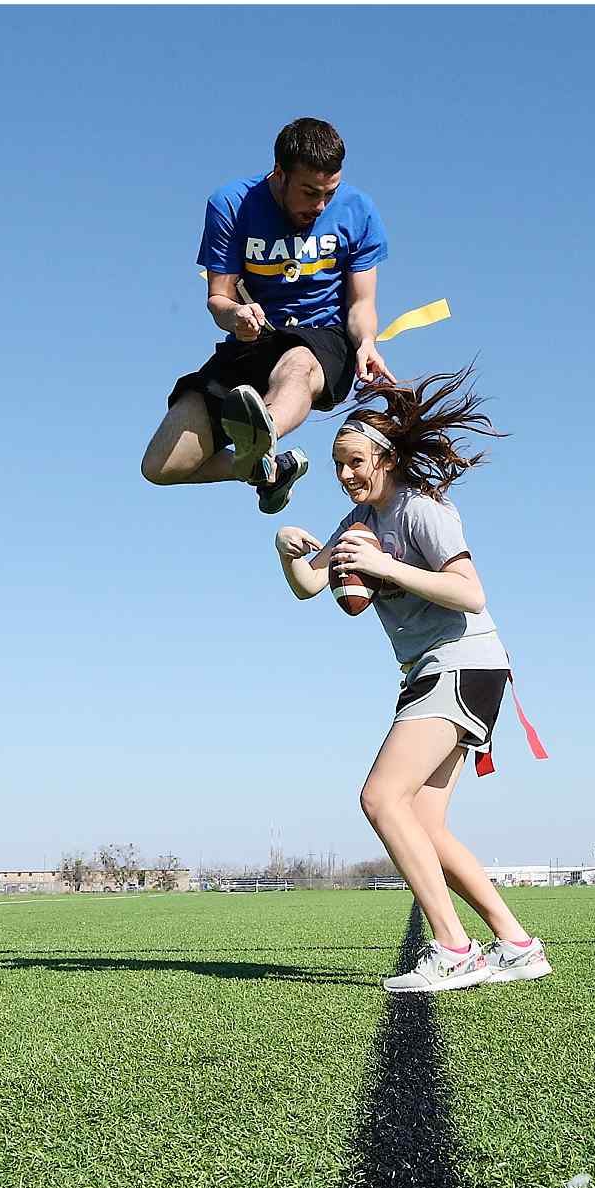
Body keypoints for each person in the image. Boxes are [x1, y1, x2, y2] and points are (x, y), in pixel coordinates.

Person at [272, 369, 550, 993]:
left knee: (378, 798)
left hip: (463, 662)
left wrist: (382, 564)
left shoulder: (423, 510)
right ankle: (518, 944)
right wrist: (288, 551)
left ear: (387, 458)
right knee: (425, 824)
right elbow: (313, 585)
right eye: (337, 466)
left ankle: (455, 949)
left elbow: (470, 593)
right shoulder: (358, 520)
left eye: (355, 463)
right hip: (432, 671)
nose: (344, 475)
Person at [143, 117, 393, 515]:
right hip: (253, 338)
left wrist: (366, 342)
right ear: (279, 174)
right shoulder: (231, 204)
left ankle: (263, 433)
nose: (321, 206)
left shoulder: (358, 211)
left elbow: (361, 304)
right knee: (160, 466)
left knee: (296, 364)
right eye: (310, 192)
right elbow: (218, 300)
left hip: (321, 336)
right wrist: (237, 316)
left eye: (330, 192)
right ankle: (267, 470)